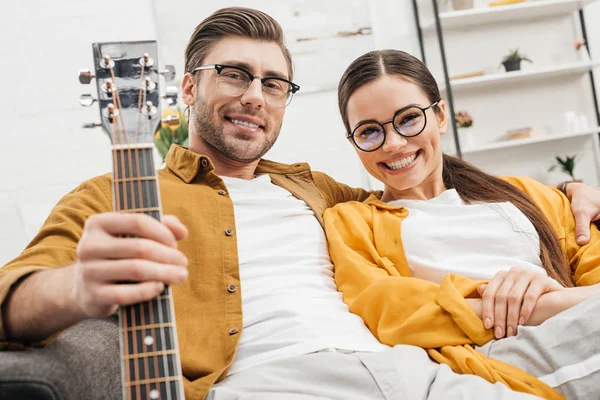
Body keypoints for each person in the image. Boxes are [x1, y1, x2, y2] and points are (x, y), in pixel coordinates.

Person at [0, 7, 598, 400]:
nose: (255, 96)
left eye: (273, 83)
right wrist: (78, 289)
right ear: (187, 88)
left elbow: (423, 189)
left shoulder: (316, 190)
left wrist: (572, 194)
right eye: (234, 74)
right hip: (267, 383)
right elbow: (12, 296)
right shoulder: (118, 195)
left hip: (405, 375)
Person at [324, 48, 600, 400]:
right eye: (369, 132)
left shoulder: (526, 195)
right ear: (354, 143)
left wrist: (554, 292)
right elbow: (393, 312)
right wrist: (547, 302)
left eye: (408, 119)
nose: (393, 144)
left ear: (439, 116)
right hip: (494, 361)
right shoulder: (353, 221)